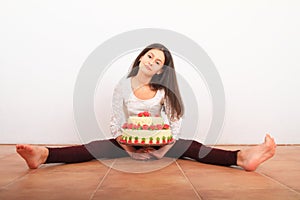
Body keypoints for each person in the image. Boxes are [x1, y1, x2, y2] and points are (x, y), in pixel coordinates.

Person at [16, 43, 276, 171]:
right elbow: (115, 122)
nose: (152, 61)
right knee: (95, 147)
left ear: (163, 69)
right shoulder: (122, 86)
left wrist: (164, 150)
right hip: (128, 140)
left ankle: (241, 157)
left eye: (159, 60)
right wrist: (127, 146)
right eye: (150, 55)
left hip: (162, 142)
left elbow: (174, 124)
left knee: (191, 146)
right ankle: (44, 154)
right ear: (141, 57)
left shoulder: (164, 91)